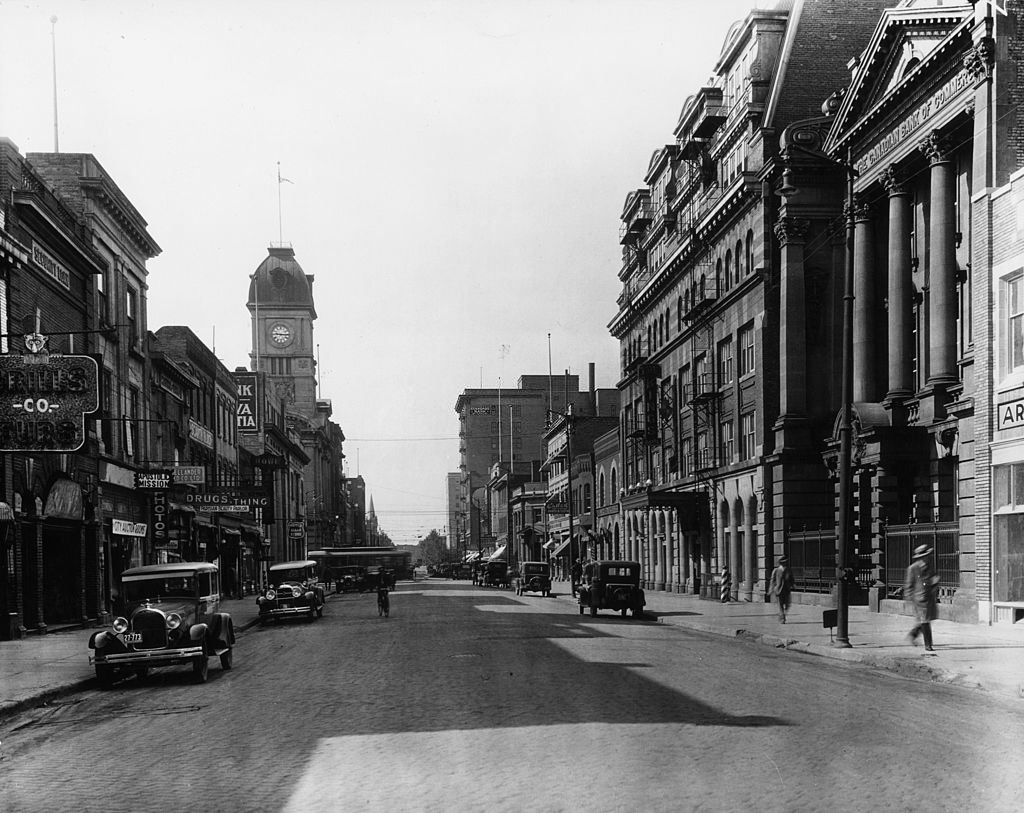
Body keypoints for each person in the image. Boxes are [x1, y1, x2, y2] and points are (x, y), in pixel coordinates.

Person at [905, 544, 939, 652]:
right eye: (925, 556)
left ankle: (913, 634)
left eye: (927, 556)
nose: (927, 558)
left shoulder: (930, 567)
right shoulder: (912, 568)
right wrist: (909, 599)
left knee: (928, 619)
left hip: (929, 597)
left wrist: (935, 582)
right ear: (919, 558)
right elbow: (909, 585)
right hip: (919, 599)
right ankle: (928, 645)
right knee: (925, 620)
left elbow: (934, 578)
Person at [768, 556, 795, 623]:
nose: (784, 563)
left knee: (788, 605)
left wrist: (793, 584)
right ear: (780, 563)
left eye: (785, 562)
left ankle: (782, 615)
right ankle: (782, 618)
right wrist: (771, 589)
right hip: (778, 590)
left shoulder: (789, 570)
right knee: (780, 605)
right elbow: (772, 580)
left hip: (787, 590)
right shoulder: (776, 570)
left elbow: (791, 578)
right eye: (783, 562)